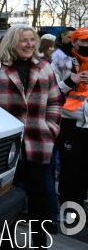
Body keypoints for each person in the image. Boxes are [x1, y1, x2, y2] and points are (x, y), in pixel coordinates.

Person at [0, 24, 61, 248]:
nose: (30, 44)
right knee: (3, 199)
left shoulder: (44, 67)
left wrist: (51, 128)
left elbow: (54, 102)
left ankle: (39, 243)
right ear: (13, 41)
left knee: (38, 197)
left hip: (38, 142)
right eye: (24, 40)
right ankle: (5, 244)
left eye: (32, 40)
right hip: (4, 148)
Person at [50, 28, 88, 213]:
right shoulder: (59, 62)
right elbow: (52, 91)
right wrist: (72, 80)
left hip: (87, 122)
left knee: (85, 167)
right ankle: (68, 207)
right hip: (68, 120)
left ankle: (80, 202)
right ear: (73, 42)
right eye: (84, 41)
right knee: (70, 167)